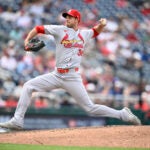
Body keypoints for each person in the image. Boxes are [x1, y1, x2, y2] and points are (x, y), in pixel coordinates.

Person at [0, 9, 141, 130]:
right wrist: (27, 40)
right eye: (66, 16)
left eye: (70, 17)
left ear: (77, 19)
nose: (67, 18)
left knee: (90, 108)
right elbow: (38, 29)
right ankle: (18, 120)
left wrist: (102, 25)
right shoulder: (59, 30)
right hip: (56, 75)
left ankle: (122, 114)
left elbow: (95, 32)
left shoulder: (84, 34)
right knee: (28, 86)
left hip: (72, 77)